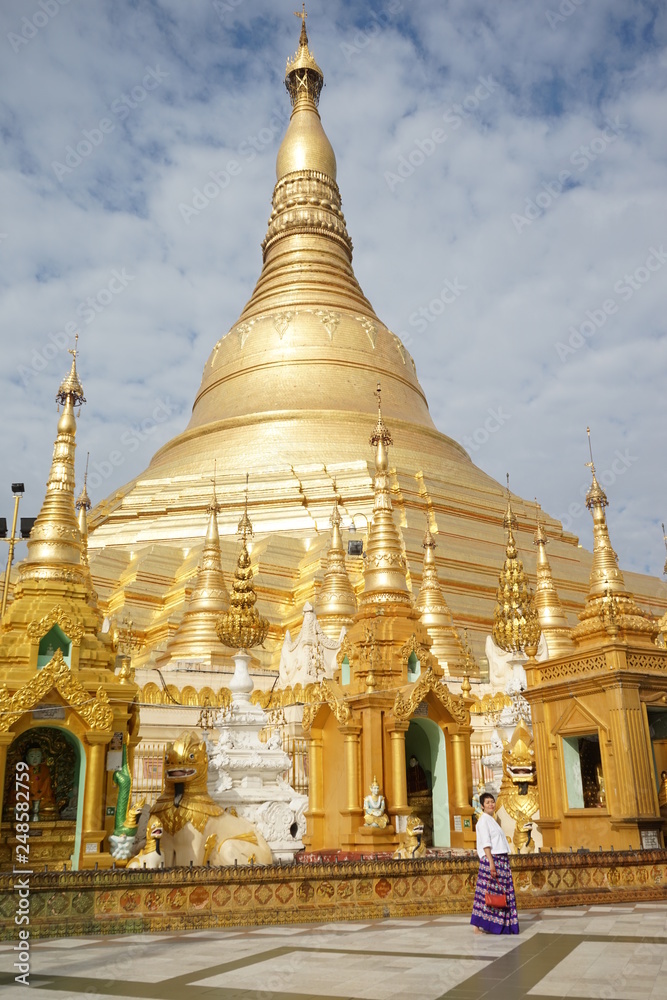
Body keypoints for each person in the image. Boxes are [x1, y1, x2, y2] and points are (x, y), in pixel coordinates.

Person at [470, 792, 519, 934]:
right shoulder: (483, 821)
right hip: (492, 859)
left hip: (501, 859)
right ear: (482, 806)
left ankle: (501, 923)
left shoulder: (492, 820)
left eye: (492, 801)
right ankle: (477, 925)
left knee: (501, 894)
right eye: (487, 803)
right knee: (487, 892)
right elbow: (486, 844)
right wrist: (491, 863)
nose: (491, 804)